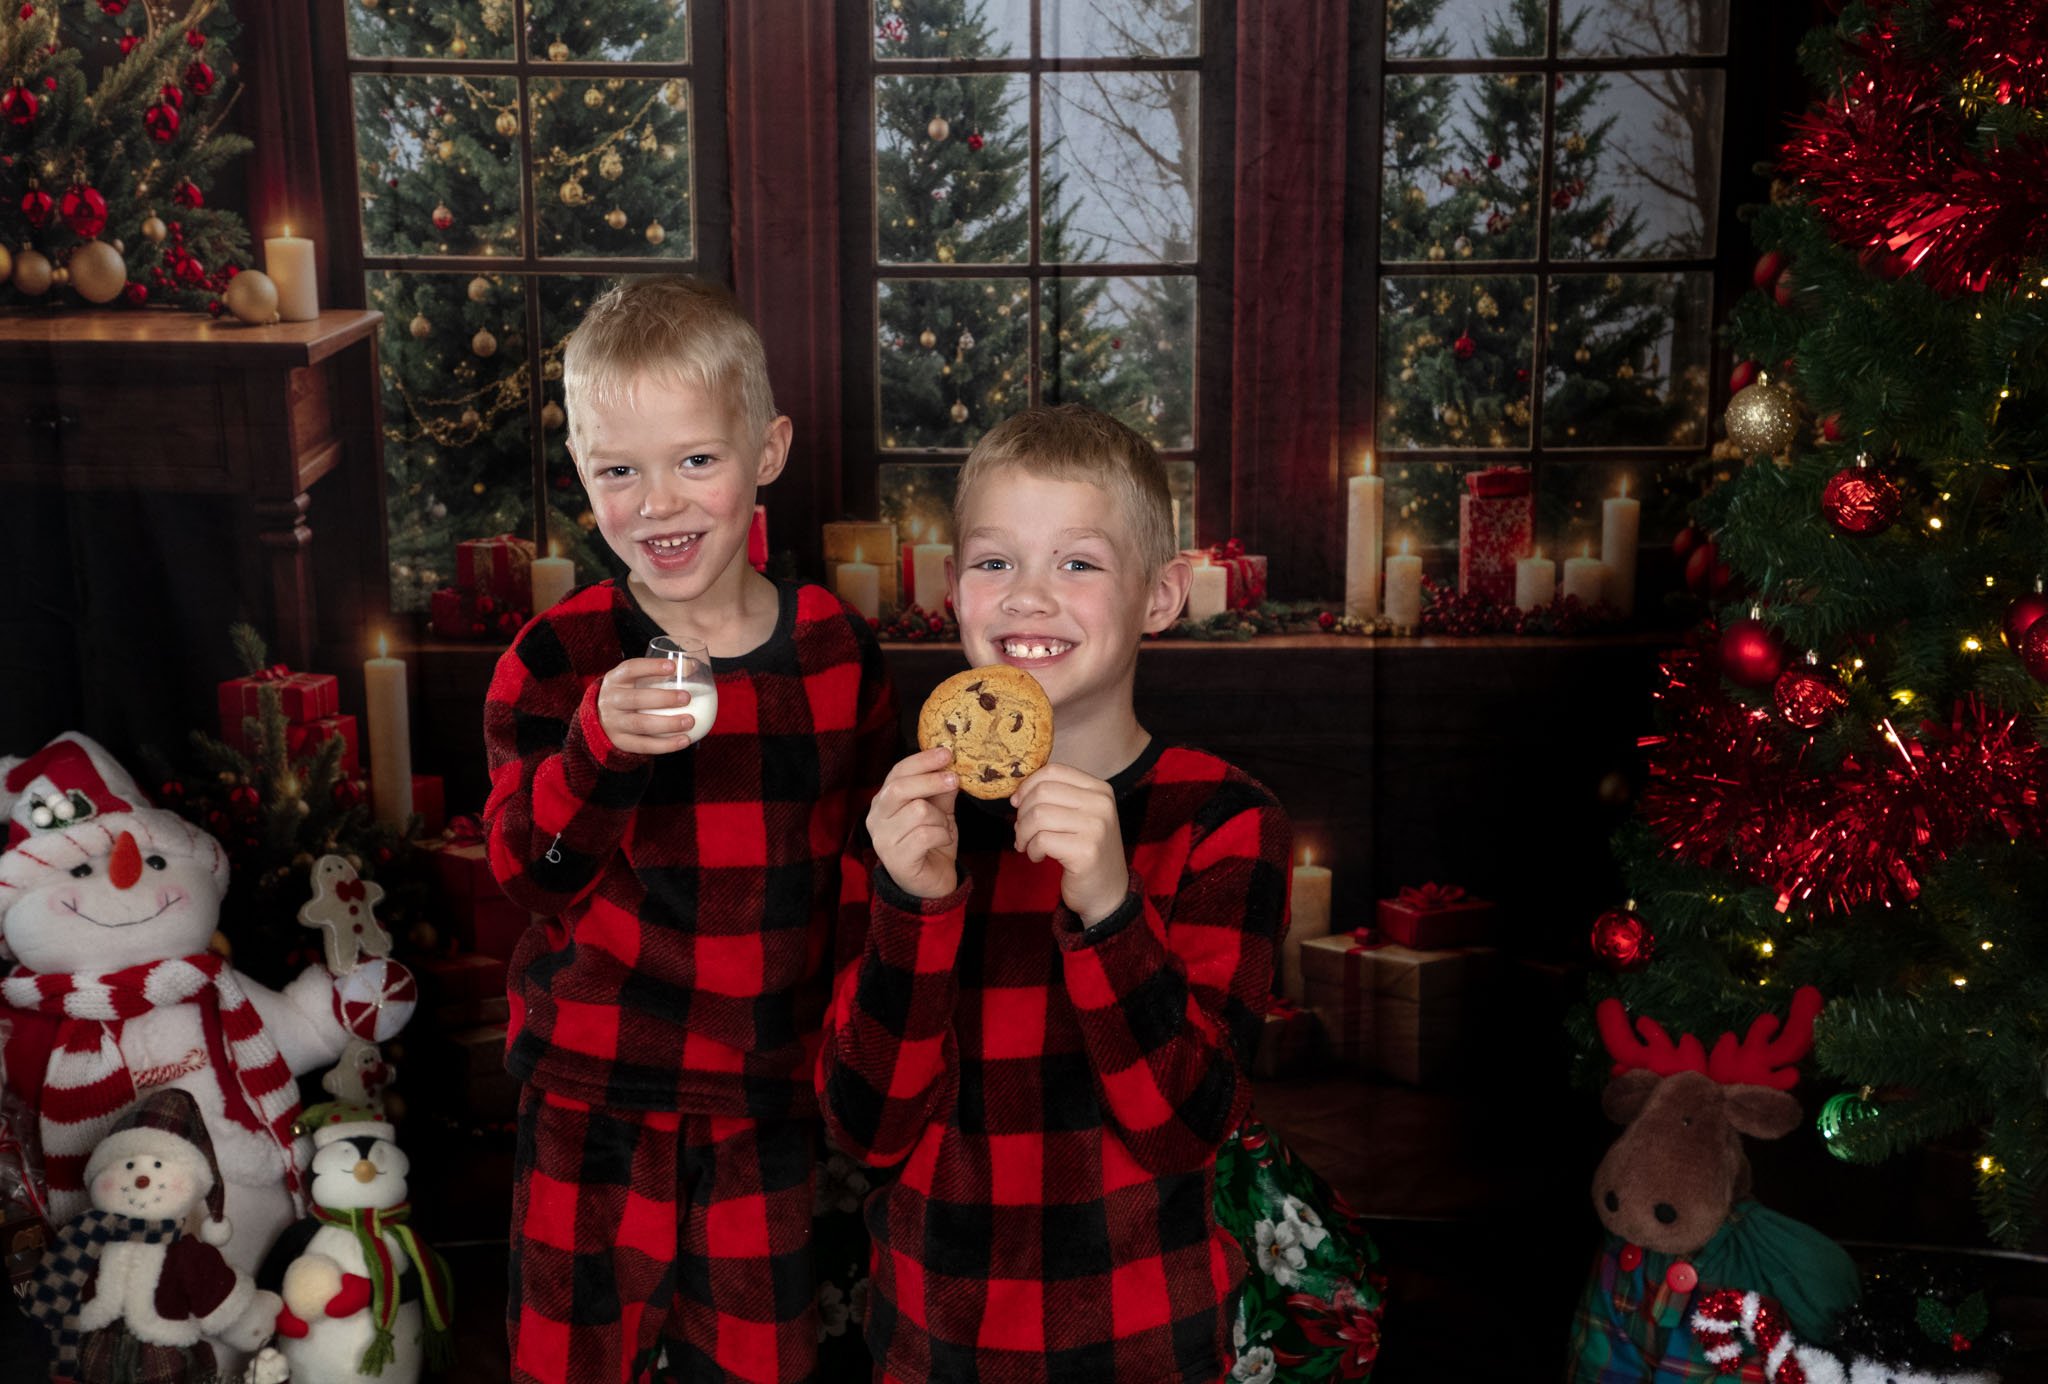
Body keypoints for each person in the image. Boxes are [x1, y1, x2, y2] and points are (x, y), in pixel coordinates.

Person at [817, 404, 1291, 1382]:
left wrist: (1112, 911)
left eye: (1077, 563)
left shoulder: (1224, 820)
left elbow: (1188, 1125)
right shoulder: (901, 822)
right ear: (952, 592)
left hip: (1137, 1336)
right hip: (929, 1339)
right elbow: (864, 1126)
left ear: (1159, 596)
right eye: (994, 563)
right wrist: (912, 912)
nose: (1028, 597)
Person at [483, 275, 897, 1384]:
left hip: (762, 1097)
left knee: (759, 1362)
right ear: (581, 471)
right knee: (571, 1358)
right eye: (619, 471)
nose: (658, 504)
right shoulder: (557, 658)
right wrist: (595, 752)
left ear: (767, 450)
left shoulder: (836, 653)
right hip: (592, 1089)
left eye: (694, 461)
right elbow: (530, 873)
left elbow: (860, 881)